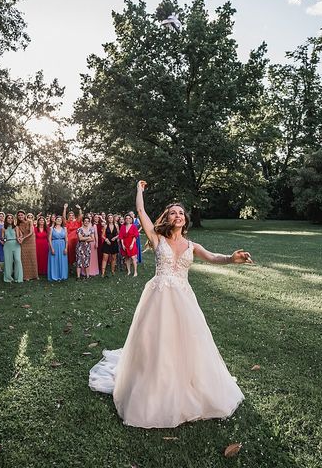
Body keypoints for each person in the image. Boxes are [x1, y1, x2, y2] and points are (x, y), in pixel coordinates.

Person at [89, 181, 253, 428]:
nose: (177, 215)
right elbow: (142, 213)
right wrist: (139, 191)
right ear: (167, 218)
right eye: (172, 213)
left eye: (180, 213)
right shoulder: (157, 239)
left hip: (183, 299)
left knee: (187, 341)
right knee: (156, 341)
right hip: (158, 299)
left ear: (185, 220)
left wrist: (231, 258)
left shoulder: (192, 245)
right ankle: (154, 385)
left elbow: (213, 257)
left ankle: (186, 382)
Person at [17, 210, 38, 281]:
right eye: (19, 215)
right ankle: (26, 276)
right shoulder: (19, 224)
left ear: (24, 215)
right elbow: (21, 234)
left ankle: (34, 275)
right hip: (24, 241)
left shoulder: (30, 221)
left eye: (21, 215)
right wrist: (20, 238)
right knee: (24, 258)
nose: (20, 216)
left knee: (32, 257)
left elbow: (31, 232)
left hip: (31, 240)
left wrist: (23, 238)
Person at [3, 213, 23, 283]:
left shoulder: (16, 227)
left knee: (17, 260)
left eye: (11, 218)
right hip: (7, 246)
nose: (10, 219)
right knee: (8, 262)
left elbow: (19, 236)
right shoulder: (3, 228)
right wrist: (5, 240)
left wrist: (19, 238)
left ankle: (18, 278)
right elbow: (3, 238)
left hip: (16, 244)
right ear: (6, 219)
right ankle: (8, 277)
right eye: (8, 218)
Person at [48, 215, 68, 281]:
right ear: (55, 220)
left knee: (62, 260)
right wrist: (52, 248)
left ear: (62, 221)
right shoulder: (51, 228)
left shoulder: (64, 228)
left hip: (62, 245)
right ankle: (54, 275)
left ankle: (62, 275)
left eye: (60, 220)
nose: (59, 221)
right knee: (54, 260)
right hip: (54, 245)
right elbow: (49, 239)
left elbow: (66, 239)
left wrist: (66, 248)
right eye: (57, 220)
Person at [64, 203, 82, 271]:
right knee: (70, 254)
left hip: (77, 240)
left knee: (77, 253)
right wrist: (65, 208)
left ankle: (78, 268)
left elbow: (80, 216)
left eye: (72, 215)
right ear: (68, 216)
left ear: (74, 216)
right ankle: (70, 268)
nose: (71, 216)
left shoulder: (77, 222)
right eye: (70, 215)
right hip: (69, 241)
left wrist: (79, 209)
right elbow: (63, 217)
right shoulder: (67, 222)